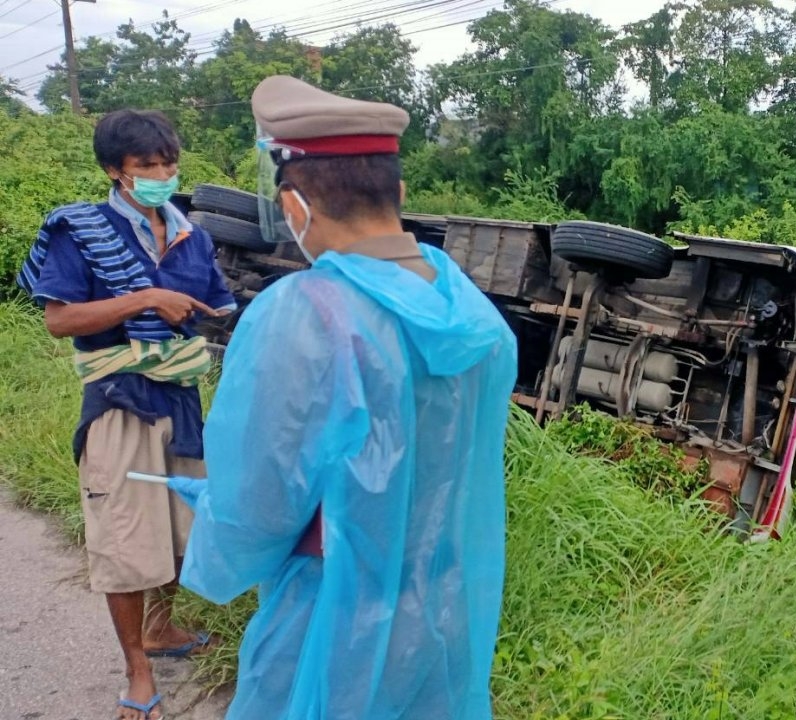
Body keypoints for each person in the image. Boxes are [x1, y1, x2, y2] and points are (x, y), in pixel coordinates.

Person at [173, 75, 518, 719]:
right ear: (402, 194)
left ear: (296, 207)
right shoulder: (479, 319)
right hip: (440, 609)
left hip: (334, 615)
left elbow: (259, 505)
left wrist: (214, 531)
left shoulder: (305, 313)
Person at [16, 109, 236, 720]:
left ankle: (162, 631)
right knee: (121, 539)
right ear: (115, 171)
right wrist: (143, 297)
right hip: (119, 402)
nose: (162, 174)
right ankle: (138, 672)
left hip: (182, 400)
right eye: (147, 166)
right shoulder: (79, 230)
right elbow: (59, 321)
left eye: (169, 163)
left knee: (173, 527)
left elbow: (219, 305)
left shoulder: (193, 234)